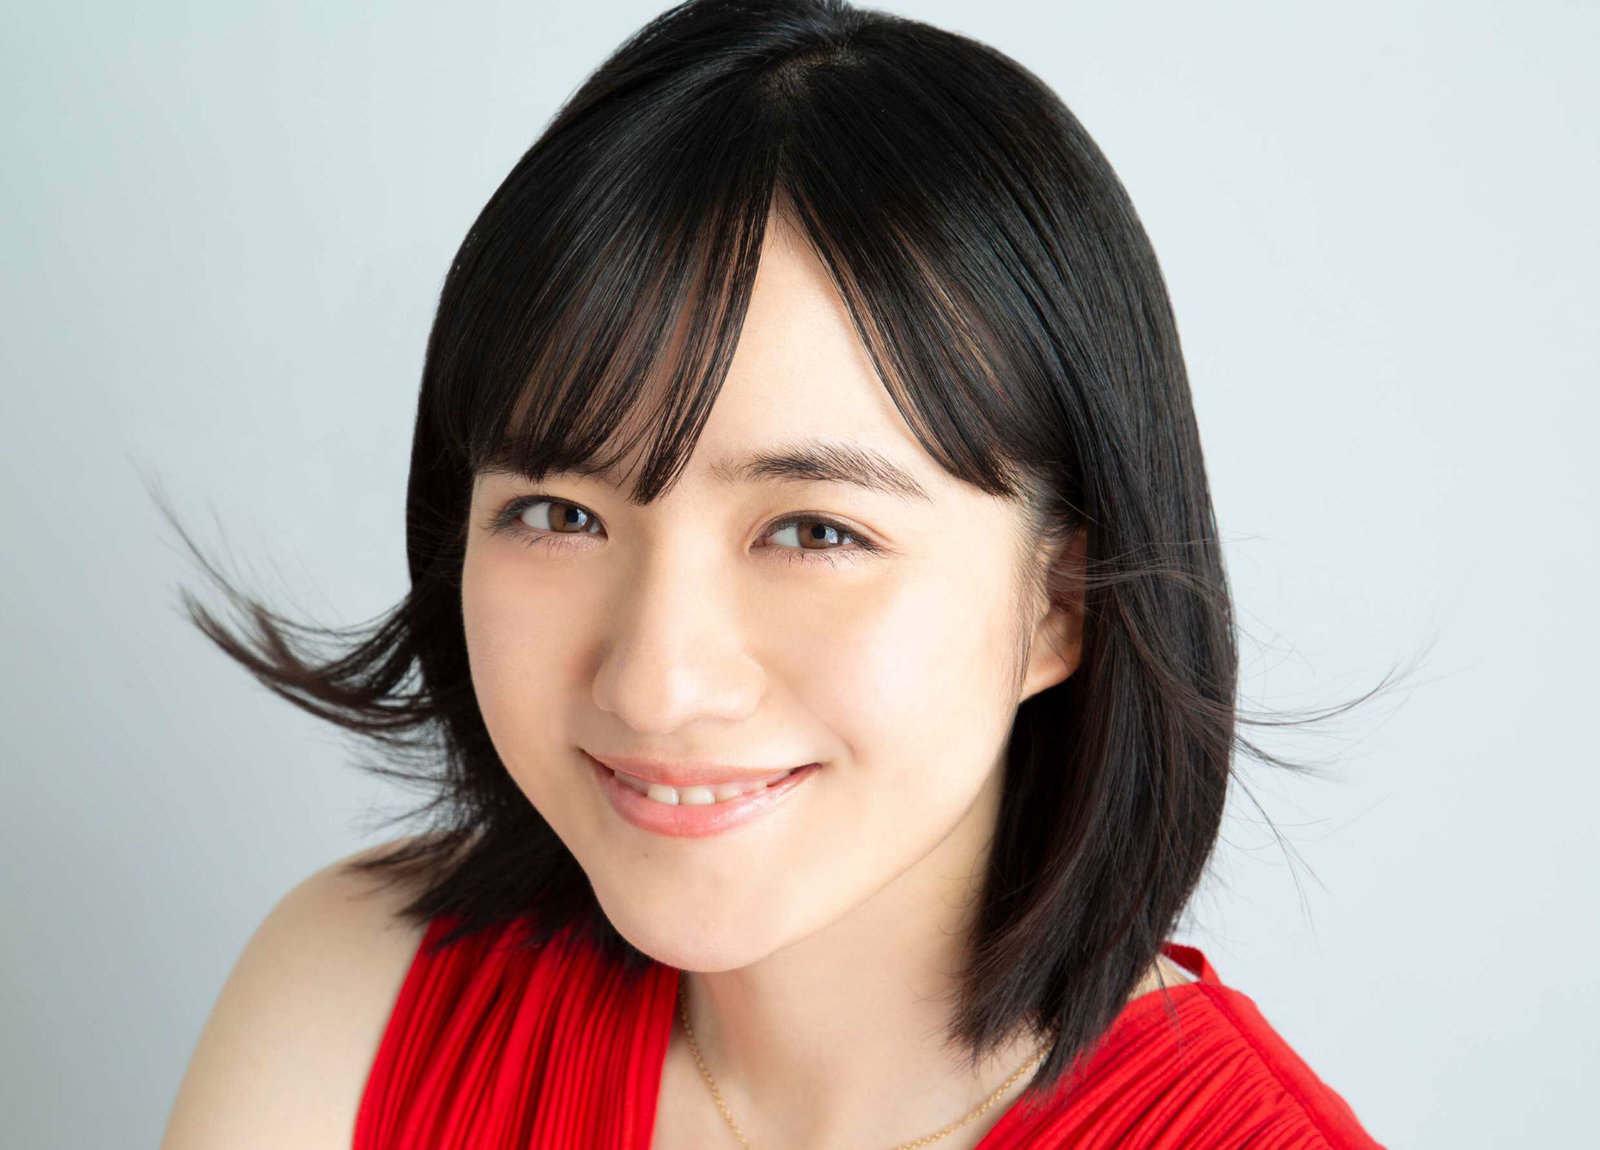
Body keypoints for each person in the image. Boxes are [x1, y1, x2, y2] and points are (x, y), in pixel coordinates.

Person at [158, 1, 1391, 1146]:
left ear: (1060, 603)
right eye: (558, 513)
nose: (656, 683)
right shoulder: (357, 995)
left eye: (813, 532)